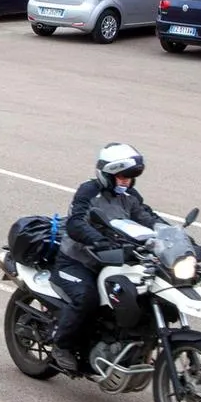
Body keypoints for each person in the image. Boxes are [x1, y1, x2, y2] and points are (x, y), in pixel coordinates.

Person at [48, 143, 163, 373]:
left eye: (130, 177)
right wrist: (96, 239)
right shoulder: (88, 192)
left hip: (114, 259)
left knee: (144, 294)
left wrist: (176, 237)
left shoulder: (130, 195)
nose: (126, 181)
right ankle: (61, 346)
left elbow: (147, 217)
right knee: (87, 298)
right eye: (121, 176)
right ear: (107, 174)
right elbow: (76, 222)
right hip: (78, 261)